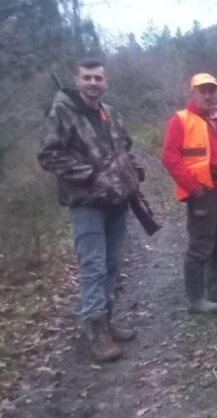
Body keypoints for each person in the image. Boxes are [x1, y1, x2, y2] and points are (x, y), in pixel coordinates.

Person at [38, 57, 142, 362]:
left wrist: (132, 171)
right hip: (86, 203)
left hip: (116, 200)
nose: (94, 83)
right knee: (93, 266)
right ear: (77, 79)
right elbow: (49, 155)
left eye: (98, 78)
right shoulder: (61, 110)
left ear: (105, 82)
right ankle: (95, 330)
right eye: (88, 78)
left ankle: (107, 320)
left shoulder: (110, 112)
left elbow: (123, 146)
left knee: (111, 264)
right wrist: (92, 175)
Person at [161, 73, 217, 314]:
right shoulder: (180, 120)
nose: (208, 94)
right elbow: (169, 157)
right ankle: (196, 299)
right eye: (202, 90)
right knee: (201, 245)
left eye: (212, 89)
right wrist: (193, 188)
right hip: (204, 192)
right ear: (192, 93)